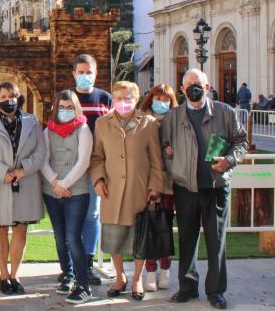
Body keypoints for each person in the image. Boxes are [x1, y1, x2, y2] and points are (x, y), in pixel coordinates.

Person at [162, 69, 247, 310]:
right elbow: (164, 147)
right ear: (181, 89)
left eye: (198, 84)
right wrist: (175, 167)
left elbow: (241, 141)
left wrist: (228, 161)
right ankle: (187, 287)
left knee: (216, 240)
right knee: (187, 239)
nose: (194, 89)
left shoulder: (225, 112)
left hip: (216, 187)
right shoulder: (173, 116)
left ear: (207, 87)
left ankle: (216, 290)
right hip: (185, 187)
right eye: (189, 85)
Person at [89, 81, 164, 302]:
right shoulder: (102, 123)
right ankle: (119, 277)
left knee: (139, 238)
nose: (123, 102)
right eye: (119, 97)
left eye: (128, 97)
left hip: (139, 191)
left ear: (137, 99)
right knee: (114, 238)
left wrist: (155, 187)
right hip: (112, 191)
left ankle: (137, 279)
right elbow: (97, 157)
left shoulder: (148, 123)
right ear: (112, 99)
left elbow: (156, 161)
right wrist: (99, 179)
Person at [0, 81, 46, 295]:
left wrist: (24, 170)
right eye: (3, 96)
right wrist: (3, 172)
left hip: (25, 182)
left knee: (21, 230)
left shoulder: (33, 121)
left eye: (12, 96)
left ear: (18, 98)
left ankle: (15, 275)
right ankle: (3, 275)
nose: (8, 100)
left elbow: (40, 152)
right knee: (1, 229)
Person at [40, 90, 93, 304]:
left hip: (76, 193)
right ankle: (67, 275)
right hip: (52, 192)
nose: (65, 111)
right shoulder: (47, 131)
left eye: (70, 107)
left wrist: (64, 184)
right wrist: (55, 183)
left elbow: (83, 162)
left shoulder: (84, 130)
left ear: (76, 108)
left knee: (73, 238)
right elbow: (43, 160)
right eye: (61, 107)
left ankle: (83, 285)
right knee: (59, 237)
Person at [69, 54, 112, 285]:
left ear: (96, 73)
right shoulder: (67, 97)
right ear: (74, 73)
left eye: (89, 72)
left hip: (96, 165)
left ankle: (87, 263)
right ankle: (69, 266)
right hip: (71, 165)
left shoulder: (105, 98)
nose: (85, 76)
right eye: (81, 72)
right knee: (71, 215)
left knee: (92, 214)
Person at [139, 84, 179, 292]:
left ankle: (165, 269)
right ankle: (151, 270)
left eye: (166, 99)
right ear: (150, 99)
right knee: (150, 227)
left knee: (165, 229)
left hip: (171, 184)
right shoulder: (142, 119)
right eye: (158, 98)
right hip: (149, 182)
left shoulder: (178, 119)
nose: (161, 103)